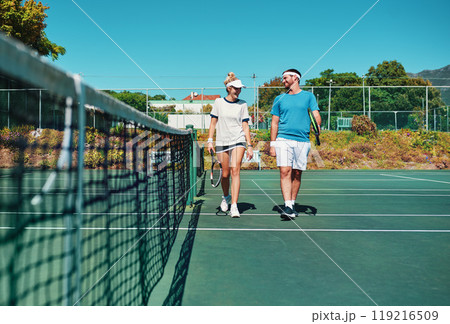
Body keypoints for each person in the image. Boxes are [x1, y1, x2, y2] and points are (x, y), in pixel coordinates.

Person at [269, 68, 321, 219]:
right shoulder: (279, 99)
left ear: (296, 78)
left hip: (302, 140)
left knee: (297, 173)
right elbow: (274, 123)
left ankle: (292, 202)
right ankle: (288, 206)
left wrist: (317, 125)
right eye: (283, 78)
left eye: (286, 78)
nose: (283, 80)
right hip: (283, 139)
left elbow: (316, 115)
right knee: (285, 171)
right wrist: (272, 145)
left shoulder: (309, 97)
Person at [207, 72, 253, 218]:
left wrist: (249, 145)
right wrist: (210, 140)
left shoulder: (243, 104)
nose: (238, 91)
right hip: (222, 141)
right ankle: (226, 196)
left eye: (240, 89)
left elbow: (245, 126)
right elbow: (213, 123)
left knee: (235, 171)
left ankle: (234, 205)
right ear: (228, 88)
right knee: (225, 174)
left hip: (238, 140)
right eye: (236, 88)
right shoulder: (218, 102)